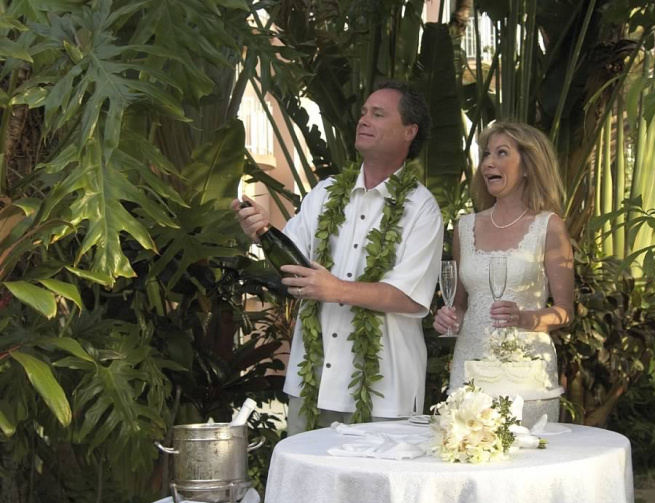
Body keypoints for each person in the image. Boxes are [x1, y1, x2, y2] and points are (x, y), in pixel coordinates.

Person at [232, 80, 443, 435]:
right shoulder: (326, 192)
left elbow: (409, 297)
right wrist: (261, 230)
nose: (364, 120)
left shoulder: (421, 208)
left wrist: (336, 289)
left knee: (375, 490)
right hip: (312, 383)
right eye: (363, 112)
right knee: (307, 488)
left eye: (378, 114)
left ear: (409, 131)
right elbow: (291, 261)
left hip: (383, 391)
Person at [432, 120, 574, 423]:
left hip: (527, 371)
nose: (489, 163)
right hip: (470, 366)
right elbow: (459, 306)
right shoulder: (464, 227)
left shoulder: (549, 226)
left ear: (527, 165)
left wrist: (526, 318)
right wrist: (448, 319)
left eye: (501, 153)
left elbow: (565, 312)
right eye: (486, 155)